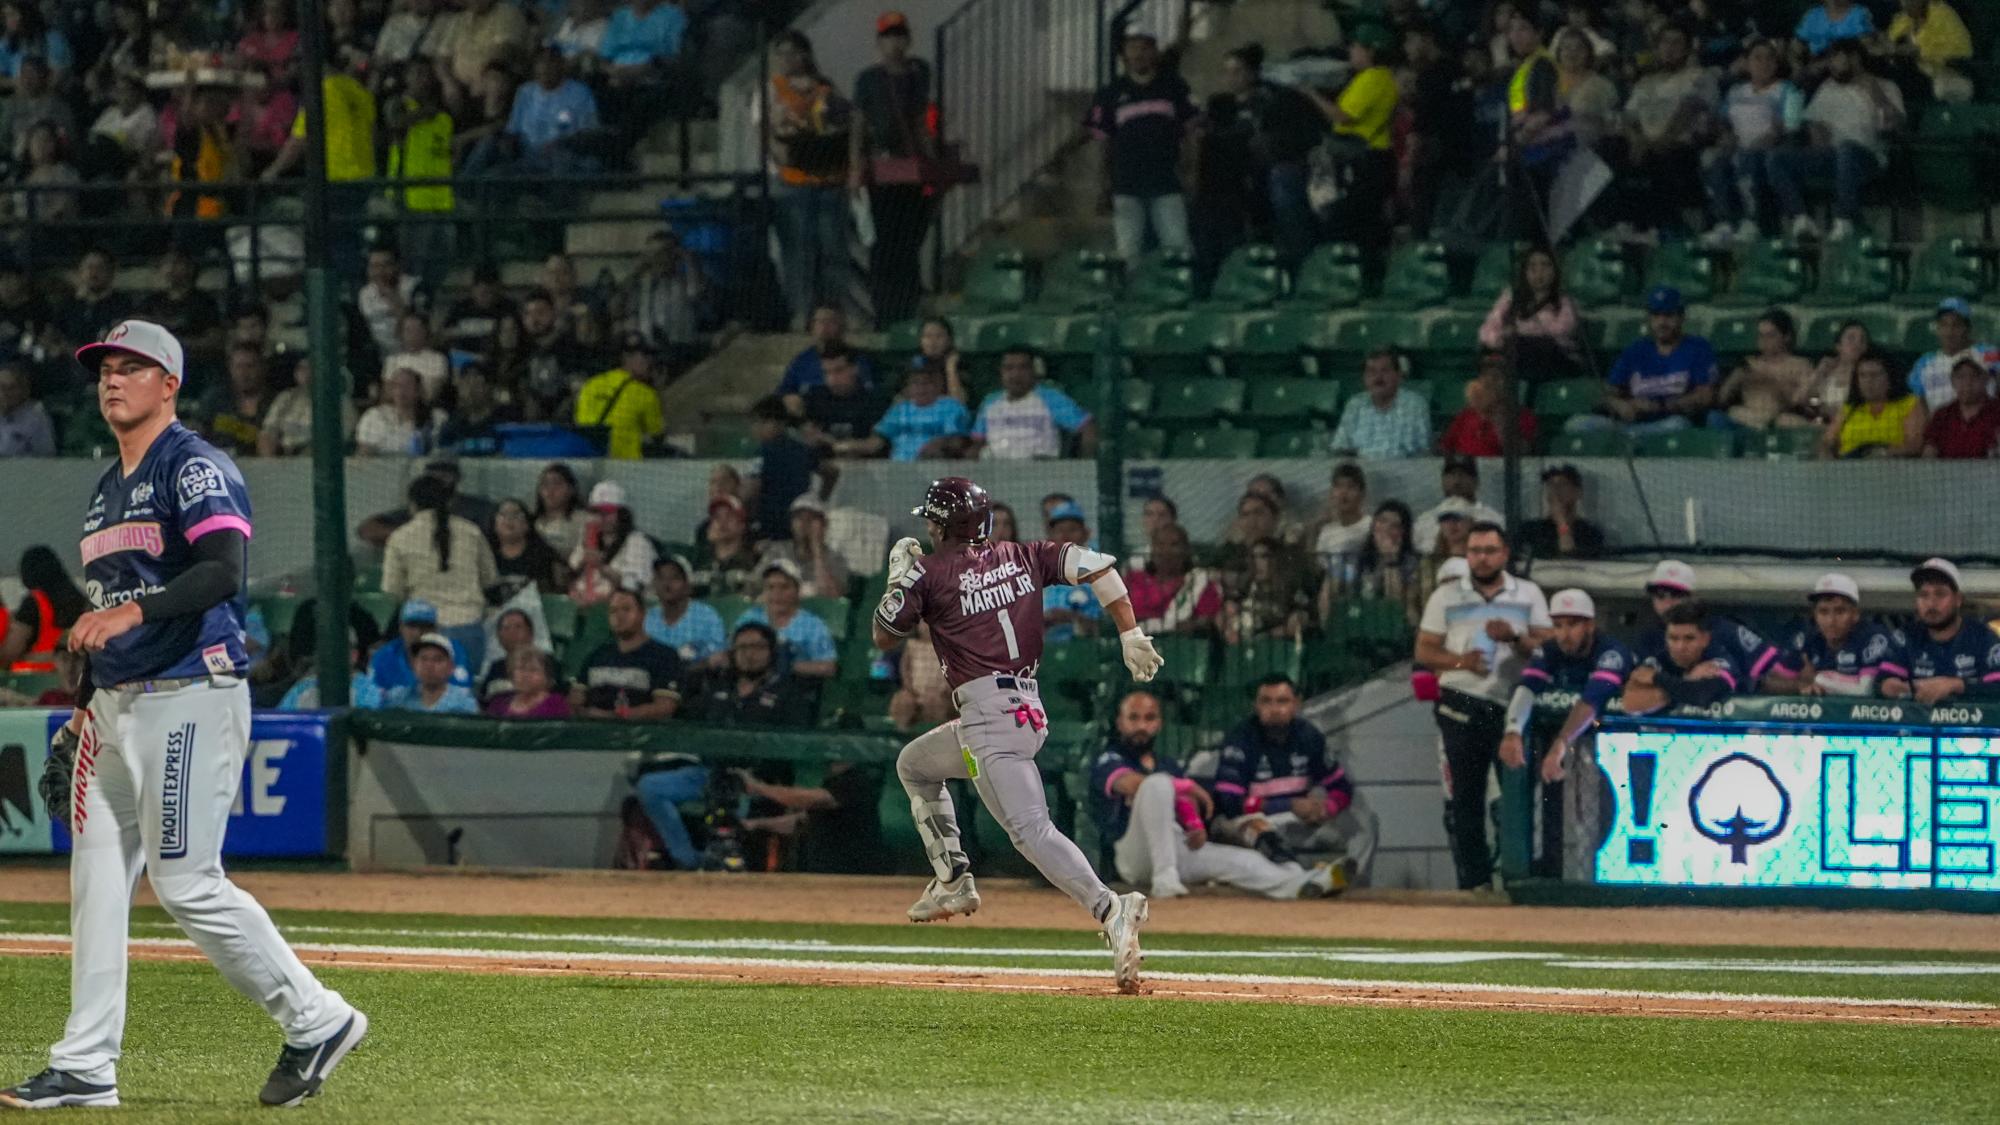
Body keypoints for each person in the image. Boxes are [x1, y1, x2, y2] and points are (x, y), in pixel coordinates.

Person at [5, 320, 366, 1111]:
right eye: (105, 368)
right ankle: (86, 1061)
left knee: (187, 881)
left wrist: (132, 613)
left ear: (168, 384)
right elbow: (103, 616)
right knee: (95, 881)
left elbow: (222, 573)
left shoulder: (192, 465)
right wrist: (82, 708)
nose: (112, 380)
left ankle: (318, 1018)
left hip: (189, 691)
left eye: (133, 368)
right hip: (116, 708)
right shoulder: (106, 488)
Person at [873, 476, 1160, 990]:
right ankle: (952, 879)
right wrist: (1131, 632)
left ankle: (1109, 907)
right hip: (1022, 707)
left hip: (989, 717)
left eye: (933, 520)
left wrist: (898, 577)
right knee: (914, 764)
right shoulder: (1025, 553)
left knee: (1031, 832)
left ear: (943, 525)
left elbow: (883, 636)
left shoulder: (931, 572)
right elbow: (1101, 568)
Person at [1093, 690, 1344, 900]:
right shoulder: (1110, 758)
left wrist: (1193, 824)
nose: (1141, 726)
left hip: (1177, 846)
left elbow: (1185, 805)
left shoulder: (1167, 764)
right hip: (1133, 855)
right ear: (1120, 722)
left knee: (1243, 861)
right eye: (1133, 718)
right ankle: (1165, 879)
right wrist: (1186, 787)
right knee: (1157, 784)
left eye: (1149, 718)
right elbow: (1132, 784)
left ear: (1159, 723)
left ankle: (1304, 882)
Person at [1414, 522, 1553, 890]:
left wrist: (1515, 637)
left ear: (1504, 554)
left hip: (1513, 701)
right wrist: (1463, 662)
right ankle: (1475, 883)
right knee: (1466, 798)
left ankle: (1519, 877)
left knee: (1517, 795)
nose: (1481, 558)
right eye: (1475, 551)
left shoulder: (1528, 593)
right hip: (1461, 700)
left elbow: (1546, 648)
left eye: (1490, 551)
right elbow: (1425, 650)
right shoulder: (1446, 596)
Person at [1500, 588, 1630, 875]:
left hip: (1610, 741)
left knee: (1596, 812)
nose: (1564, 633)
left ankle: (1594, 880)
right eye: (1558, 625)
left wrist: (1560, 745)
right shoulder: (1550, 650)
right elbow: (1527, 688)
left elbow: (1590, 702)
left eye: (1573, 624)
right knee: (1552, 809)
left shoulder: (1611, 652)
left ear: (1590, 626)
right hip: (1566, 737)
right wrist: (1512, 731)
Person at [1207, 675, 1372, 886]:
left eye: (1282, 701)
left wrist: (1326, 809)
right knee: (1259, 830)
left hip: (1297, 821)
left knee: (1365, 822)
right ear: (1256, 705)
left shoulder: (1309, 736)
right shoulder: (1240, 739)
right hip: (1251, 821)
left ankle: (1349, 884)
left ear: (1296, 704)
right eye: (1266, 701)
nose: (1274, 709)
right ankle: (1301, 882)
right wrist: (1289, 805)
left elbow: (1341, 787)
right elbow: (1229, 802)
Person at [1769, 39, 1904, 243]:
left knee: (1846, 149)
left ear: (1854, 59)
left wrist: (1876, 94)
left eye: (1837, 60)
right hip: (1830, 156)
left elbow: (1897, 125)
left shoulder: (1886, 86)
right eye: (1830, 62)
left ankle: (1844, 219)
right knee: (1777, 158)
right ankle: (1801, 219)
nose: (1832, 66)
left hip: (1867, 157)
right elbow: (1813, 121)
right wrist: (1815, 130)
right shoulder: (1827, 88)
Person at [848, 11, 936, 324]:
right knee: (884, 242)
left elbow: (920, 119)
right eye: (888, 36)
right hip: (881, 168)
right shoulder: (869, 79)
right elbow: (858, 124)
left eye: (899, 36)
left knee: (910, 241)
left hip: (910, 166)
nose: (894, 43)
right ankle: (886, 309)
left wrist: (930, 159)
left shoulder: (918, 73)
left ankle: (907, 305)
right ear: (879, 42)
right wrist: (855, 166)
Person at [1085, 31, 1198, 264]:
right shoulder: (1110, 94)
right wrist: (1103, 181)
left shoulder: (1174, 87)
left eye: (1145, 48)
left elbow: (1191, 132)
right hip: (1126, 182)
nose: (1139, 54)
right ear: (1124, 54)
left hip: (1165, 179)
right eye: (1133, 48)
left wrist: (1191, 170)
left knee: (1178, 246)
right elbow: (1103, 141)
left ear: (1155, 52)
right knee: (1128, 251)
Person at [768, 31, 854, 325]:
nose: (786, 59)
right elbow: (766, 133)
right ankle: (802, 313)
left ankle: (833, 313)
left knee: (833, 252)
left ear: (806, 54)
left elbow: (848, 123)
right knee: (798, 254)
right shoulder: (772, 90)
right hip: (792, 180)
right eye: (781, 53)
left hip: (829, 179)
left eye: (792, 52)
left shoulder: (826, 88)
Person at [1298, 22, 1399, 269]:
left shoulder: (1374, 78)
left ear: (1371, 51)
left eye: (1356, 48)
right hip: (1366, 158)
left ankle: (1361, 273)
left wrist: (1311, 93)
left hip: (1367, 158)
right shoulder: (1371, 78)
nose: (1352, 53)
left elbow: (1343, 116)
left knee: (1354, 222)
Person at [381, 472, 498, 668]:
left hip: (423, 631)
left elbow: (393, 589)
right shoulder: (471, 531)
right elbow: (490, 579)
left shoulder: (400, 537)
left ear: (412, 503)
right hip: (468, 626)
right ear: (449, 502)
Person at [1568, 286, 1717, 437]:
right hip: (1631, 424)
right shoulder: (1636, 350)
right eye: (1656, 315)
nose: (1662, 322)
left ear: (1681, 317)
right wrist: (1619, 405)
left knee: (1678, 425)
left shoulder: (1697, 347)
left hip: (1667, 423)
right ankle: (1631, 436)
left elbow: (1705, 396)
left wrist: (1660, 407)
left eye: (1668, 315)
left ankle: (1633, 437)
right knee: (1576, 424)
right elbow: (1604, 393)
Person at [1615, 22, 1718, 238]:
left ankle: (1660, 227)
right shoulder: (1645, 82)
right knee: (1611, 149)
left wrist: (1657, 141)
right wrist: (1636, 139)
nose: (1669, 48)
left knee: (1664, 156)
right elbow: (1628, 117)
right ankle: (1621, 222)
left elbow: (1689, 111)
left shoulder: (1700, 76)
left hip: (1680, 144)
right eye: (1665, 43)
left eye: (1676, 43)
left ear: (1688, 49)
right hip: (1645, 143)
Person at [1702, 38, 1803, 246]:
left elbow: (1791, 125)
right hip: (1737, 147)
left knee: (1749, 159)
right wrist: (1725, 135)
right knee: (1716, 161)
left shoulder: (1788, 90)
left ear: (1776, 64)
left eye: (1769, 59)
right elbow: (1723, 121)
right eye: (1757, 58)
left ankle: (1753, 221)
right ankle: (1724, 224)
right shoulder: (1736, 91)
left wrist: (1773, 135)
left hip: (1768, 148)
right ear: (1747, 63)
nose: (1763, 63)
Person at [1632, 559, 1789, 692]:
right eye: (1660, 596)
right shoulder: (1647, 638)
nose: (1668, 602)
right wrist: (1687, 681)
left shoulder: (1725, 630)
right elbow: (1635, 687)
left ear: (1692, 597)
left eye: (1676, 595)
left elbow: (1778, 672)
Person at [1765, 573, 1910, 698]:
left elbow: (1865, 690)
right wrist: (1800, 686)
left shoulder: (1873, 636)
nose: (1831, 620)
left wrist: (1819, 679)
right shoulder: (1808, 637)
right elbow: (1770, 682)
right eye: (1823, 612)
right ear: (1814, 615)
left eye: (1840, 611)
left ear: (1855, 614)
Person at [731, 760, 885, 874]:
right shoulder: (832, 780)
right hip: (826, 868)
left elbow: (810, 799)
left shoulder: (857, 779)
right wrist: (755, 823)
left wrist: (758, 787)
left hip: (855, 869)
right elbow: (801, 821)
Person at [570, 585, 684, 719]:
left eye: (626, 609)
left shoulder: (664, 656)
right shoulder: (597, 655)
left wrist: (612, 717)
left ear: (642, 614)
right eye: (613, 611)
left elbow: (664, 707)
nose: (619, 616)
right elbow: (575, 700)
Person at [1619, 601, 1747, 715]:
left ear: (1705, 639)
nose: (1680, 647)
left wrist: (1657, 679)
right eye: (1673, 638)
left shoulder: (1719, 659)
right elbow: (1631, 703)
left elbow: (1701, 695)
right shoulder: (1658, 660)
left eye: (1689, 638)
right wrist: (1688, 680)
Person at [1901, 558, 2000, 704]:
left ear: (1958, 599)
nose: (1931, 603)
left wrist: (1955, 685)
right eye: (1924, 595)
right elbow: (1882, 683)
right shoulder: (1906, 635)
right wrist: (1903, 688)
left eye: (1940, 594)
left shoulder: (1984, 637)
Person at [968, 348, 1096, 459]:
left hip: (1040, 471)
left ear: (1034, 371)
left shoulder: (1052, 398)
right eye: (1009, 368)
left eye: (1023, 368)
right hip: (996, 471)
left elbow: (1088, 428)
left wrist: (1084, 466)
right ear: (1001, 372)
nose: (1015, 374)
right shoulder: (990, 402)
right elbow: (977, 443)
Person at [1478, 247, 1584, 382]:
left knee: (1531, 345)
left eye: (1545, 266)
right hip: (1516, 353)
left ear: (1555, 270)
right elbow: (1489, 328)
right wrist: (1500, 337)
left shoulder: (1565, 302)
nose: (1539, 272)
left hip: (1553, 358)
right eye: (1532, 266)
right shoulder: (1511, 298)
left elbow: (1561, 330)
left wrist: (1522, 329)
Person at [687, 621, 814, 726]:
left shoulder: (789, 693)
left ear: (772, 652)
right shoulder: (715, 686)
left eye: (758, 647)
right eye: (742, 647)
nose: (749, 654)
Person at [731, 558, 838, 680]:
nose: (777, 593)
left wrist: (788, 666)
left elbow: (828, 667)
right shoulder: (750, 618)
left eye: (784, 587)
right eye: (770, 587)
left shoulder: (812, 625)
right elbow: (731, 654)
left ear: (797, 591)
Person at [1713, 309, 1816, 431]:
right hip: (1744, 421)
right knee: (1718, 417)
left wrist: (1772, 382)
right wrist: (1736, 378)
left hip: (1779, 424)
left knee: (1785, 421)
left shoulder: (1800, 365)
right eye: (1760, 335)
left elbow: (1802, 404)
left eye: (1770, 336)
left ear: (1786, 337)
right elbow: (1721, 400)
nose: (1764, 341)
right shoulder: (1748, 364)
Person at [573, 334, 665, 460]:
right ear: (626, 357)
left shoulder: (591, 385)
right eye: (645, 355)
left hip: (591, 461)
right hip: (626, 466)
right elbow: (657, 435)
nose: (650, 361)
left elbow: (580, 422)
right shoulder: (645, 394)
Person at [1327, 348, 1431, 458]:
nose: (1378, 377)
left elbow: (1425, 453)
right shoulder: (1355, 405)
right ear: (1364, 377)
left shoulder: (1415, 405)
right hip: (1362, 472)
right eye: (1372, 371)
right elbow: (1340, 449)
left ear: (1399, 376)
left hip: (1405, 472)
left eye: (1385, 371)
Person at [743, 396, 820, 542]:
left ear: (777, 423)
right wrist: (820, 499)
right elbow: (831, 472)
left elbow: (750, 491)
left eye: (760, 423)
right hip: (800, 528)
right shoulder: (803, 450)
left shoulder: (761, 453)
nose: (756, 429)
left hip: (769, 529)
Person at [568, 480, 657, 604]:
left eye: (608, 512)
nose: (601, 517)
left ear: (622, 514)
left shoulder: (638, 542)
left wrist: (602, 567)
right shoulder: (586, 541)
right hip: (585, 607)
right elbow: (569, 576)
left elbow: (634, 586)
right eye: (596, 512)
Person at [0, 545, 88, 671]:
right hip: (72, 676)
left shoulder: (34, 603)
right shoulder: (82, 601)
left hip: (34, 679)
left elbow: (10, 652)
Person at [1822, 352, 1925, 459]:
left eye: (1875, 375)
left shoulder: (1909, 404)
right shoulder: (1849, 409)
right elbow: (1827, 441)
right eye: (1862, 375)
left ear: (1890, 377)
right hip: (1849, 466)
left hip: (1893, 466)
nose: (1868, 381)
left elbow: (1914, 445)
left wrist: (1883, 453)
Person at [778, 305, 876, 416]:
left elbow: (869, 390)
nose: (825, 326)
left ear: (842, 326)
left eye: (831, 321)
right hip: (811, 418)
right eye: (820, 321)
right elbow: (784, 392)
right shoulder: (801, 361)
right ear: (812, 326)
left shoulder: (859, 358)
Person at [1126, 524, 1220, 635]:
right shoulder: (1133, 580)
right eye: (1160, 544)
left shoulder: (1200, 583)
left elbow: (1204, 622)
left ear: (1186, 550)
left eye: (1174, 545)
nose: (1166, 551)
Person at [1906, 298, 1998, 412]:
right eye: (1944, 325)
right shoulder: (1924, 363)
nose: (1949, 332)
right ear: (1937, 329)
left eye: (1956, 325)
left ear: (1967, 328)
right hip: (1940, 425)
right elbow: (1919, 407)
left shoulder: (1989, 353)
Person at [864, 364, 971, 461]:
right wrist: (850, 446)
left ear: (938, 384)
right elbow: (877, 442)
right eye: (915, 383)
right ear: (908, 387)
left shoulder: (951, 407)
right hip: (898, 468)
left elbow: (957, 442)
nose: (921, 388)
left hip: (936, 466)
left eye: (927, 383)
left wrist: (941, 443)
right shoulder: (900, 409)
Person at [800, 346, 890, 457]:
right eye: (826, 372)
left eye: (838, 371)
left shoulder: (875, 399)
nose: (832, 379)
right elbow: (809, 435)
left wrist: (838, 444)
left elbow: (876, 443)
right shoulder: (815, 397)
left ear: (855, 368)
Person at [1440, 358, 1540, 457]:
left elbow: (1522, 454)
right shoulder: (1466, 415)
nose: (1489, 381)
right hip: (1466, 471)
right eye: (1485, 375)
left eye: (1497, 376)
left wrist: (1498, 420)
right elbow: (1445, 449)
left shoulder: (1523, 416)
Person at [757, 494, 850, 599]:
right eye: (799, 517)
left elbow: (833, 597)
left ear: (824, 525)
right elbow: (755, 585)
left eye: (811, 518)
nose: (804, 523)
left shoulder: (835, 558)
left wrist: (817, 550)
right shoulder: (778, 551)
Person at [368, 598, 471, 694]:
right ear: (401, 627)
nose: (418, 632)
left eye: (425, 626)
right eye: (412, 625)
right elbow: (374, 700)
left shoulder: (453, 651)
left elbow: (461, 693)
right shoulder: (384, 656)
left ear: (436, 629)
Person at [1884, 0, 1974, 104]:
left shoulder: (1942, 14)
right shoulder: (1903, 18)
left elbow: (1964, 50)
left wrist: (1920, 51)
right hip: (1911, 71)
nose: (1905, 4)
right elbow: (1890, 41)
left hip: (1940, 72)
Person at [644, 553, 726, 665]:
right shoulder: (647, 619)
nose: (666, 584)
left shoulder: (707, 617)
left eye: (674, 578)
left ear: (688, 585)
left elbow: (717, 657)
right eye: (661, 578)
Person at [1412, 455, 1505, 554]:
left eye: (1464, 474)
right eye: (1451, 474)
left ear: (1476, 481)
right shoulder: (1425, 521)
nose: (1457, 481)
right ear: (1443, 480)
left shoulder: (1494, 519)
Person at [380, 630, 481, 713]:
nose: (429, 665)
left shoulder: (464, 702)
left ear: (451, 667)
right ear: (414, 665)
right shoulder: (397, 697)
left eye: (438, 659)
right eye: (423, 659)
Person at [1519, 463, 1604, 560]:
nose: (1555, 490)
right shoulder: (1531, 530)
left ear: (1578, 492)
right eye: (1551, 485)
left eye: (1563, 484)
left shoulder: (1590, 533)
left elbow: (1569, 559)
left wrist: (1561, 522)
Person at [1923, 358, 2000, 459]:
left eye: (1974, 376)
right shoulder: (1942, 415)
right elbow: (1929, 451)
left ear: (1986, 379)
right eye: (1960, 377)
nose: (1967, 383)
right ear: (1952, 381)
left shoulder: (1997, 411)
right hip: (1947, 473)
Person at [490, 497, 568, 596]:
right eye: (503, 514)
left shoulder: (543, 557)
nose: (509, 519)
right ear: (494, 525)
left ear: (527, 524)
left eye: (516, 515)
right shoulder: (485, 556)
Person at [354, 366, 439, 456]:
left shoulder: (436, 417)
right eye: (396, 385)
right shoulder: (373, 416)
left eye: (407, 385)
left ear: (418, 390)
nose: (401, 391)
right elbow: (364, 452)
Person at [690, 493, 760, 598]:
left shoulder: (756, 562)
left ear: (742, 525)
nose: (723, 522)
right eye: (717, 517)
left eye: (730, 516)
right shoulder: (698, 560)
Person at [1807, 319, 1871, 422]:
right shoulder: (1826, 370)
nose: (1857, 343)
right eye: (1851, 338)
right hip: (1820, 421)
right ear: (1838, 346)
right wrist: (1818, 374)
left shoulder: (1869, 374)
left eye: (1862, 340)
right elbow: (1804, 400)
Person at [1311, 463, 1372, 563]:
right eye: (1338, 486)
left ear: (1362, 493)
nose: (1343, 492)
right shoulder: (1327, 531)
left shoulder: (1372, 526)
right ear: (1331, 493)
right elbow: (1321, 570)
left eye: (1351, 487)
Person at [475, 607, 539, 702]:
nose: (512, 633)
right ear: (499, 636)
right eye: (506, 628)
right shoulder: (496, 667)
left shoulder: (547, 663)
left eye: (518, 627)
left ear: (531, 633)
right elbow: (484, 701)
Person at [486, 646, 569, 718]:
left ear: (547, 676)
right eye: (520, 668)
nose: (525, 675)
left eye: (533, 670)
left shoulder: (555, 704)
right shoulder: (498, 703)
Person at [531, 462, 588, 558]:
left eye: (557, 483)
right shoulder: (531, 521)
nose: (550, 490)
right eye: (545, 484)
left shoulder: (583, 520)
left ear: (571, 489)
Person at [0, 361, 54, 457]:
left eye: (11, 388)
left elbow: (46, 455)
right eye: (2, 387)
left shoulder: (37, 419)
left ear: (23, 390)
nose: (5, 393)